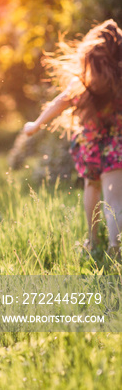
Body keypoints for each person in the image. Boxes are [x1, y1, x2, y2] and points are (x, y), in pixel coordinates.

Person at [23, 19, 122, 259]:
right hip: (115, 149)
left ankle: (92, 239)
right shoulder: (118, 82)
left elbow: (58, 103)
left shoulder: (82, 84)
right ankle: (115, 249)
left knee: (92, 187)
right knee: (114, 200)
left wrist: (35, 125)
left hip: (90, 150)